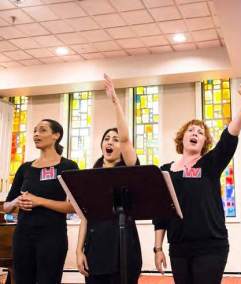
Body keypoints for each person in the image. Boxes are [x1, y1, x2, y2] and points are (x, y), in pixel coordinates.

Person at [153, 82, 241, 284]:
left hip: (210, 246)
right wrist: (158, 248)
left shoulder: (209, 164)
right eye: (191, 130)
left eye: (200, 132)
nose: (195, 134)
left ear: (204, 142)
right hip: (179, 247)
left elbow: (228, 139)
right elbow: (161, 215)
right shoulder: (165, 171)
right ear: (182, 138)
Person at [75, 74, 141, 284]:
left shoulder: (128, 168)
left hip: (123, 244)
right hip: (96, 246)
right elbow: (85, 217)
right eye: (106, 139)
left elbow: (126, 138)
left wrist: (115, 102)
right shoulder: (91, 175)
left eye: (115, 139)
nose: (110, 142)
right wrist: (78, 251)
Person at [3, 119, 79, 284]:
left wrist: (40, 201)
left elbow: (74, 206)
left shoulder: (68, 166)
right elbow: (6, 207)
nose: (36, 134)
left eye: (42, 130)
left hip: (52, 237)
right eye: (35, 131)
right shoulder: (25, 168)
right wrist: (17, 201)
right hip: (23, 236)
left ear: (56, 135)